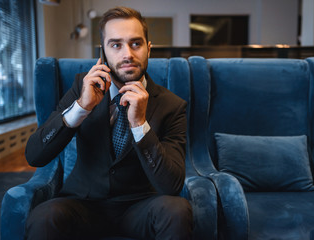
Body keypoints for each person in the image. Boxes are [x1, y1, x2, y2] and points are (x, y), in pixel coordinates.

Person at [25, 6, 193, 240]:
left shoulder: (172, 105)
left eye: (136, 43)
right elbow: (35, 155)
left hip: (141, 207)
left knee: (177, 210)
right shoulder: (81, 87)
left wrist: (139, 125)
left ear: (148, 49)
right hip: (84, 204)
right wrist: (81, 108)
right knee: (44, 216)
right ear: (102, 52)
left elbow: (172, 186)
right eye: (116, 45)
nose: (127, 54)